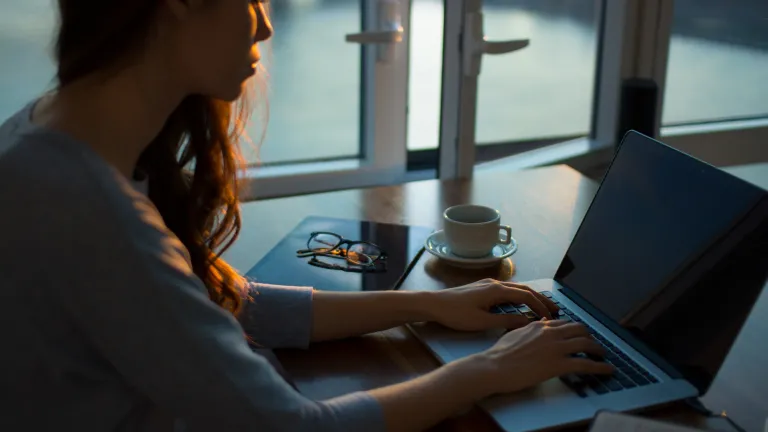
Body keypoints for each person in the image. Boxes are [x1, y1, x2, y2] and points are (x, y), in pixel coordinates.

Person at [0, 1, 613, 430]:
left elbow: (213, 303)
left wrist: (425, 305)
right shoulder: (94, 216)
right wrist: (488, 370)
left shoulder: (41, 136)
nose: (266, 24)